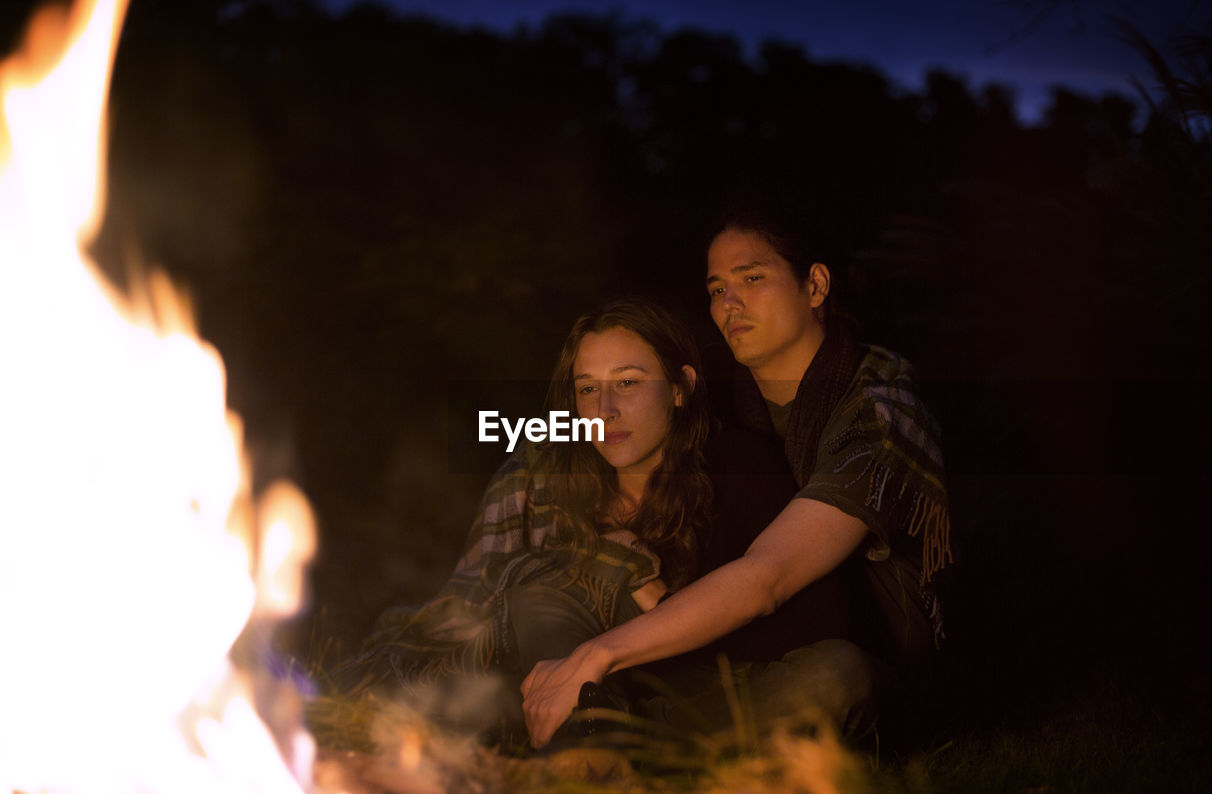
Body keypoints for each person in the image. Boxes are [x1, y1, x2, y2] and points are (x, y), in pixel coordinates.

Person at [521, 207, 953, 749]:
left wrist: (597, 655)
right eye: (717, 288)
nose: (730, 304)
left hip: (864, 646)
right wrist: (619, 539)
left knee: (836, 680)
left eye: (752, 278)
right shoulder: (714, 386)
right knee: (546, 590)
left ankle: (616, 739)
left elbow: (768, 576)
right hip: (728, 643)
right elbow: (608, 444)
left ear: (815, 285)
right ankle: (595, 725)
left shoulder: (881, 411)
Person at [340, 300, 791, 741]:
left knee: (833, 675)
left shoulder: (731, 471)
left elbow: (754, 622)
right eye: (588, 388)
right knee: (536, 598)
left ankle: (629, 742)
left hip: (682, 693)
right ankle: (590, 745)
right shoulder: (538, 474)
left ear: (680, 388)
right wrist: (614, 562)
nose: (604, 409)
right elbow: (480, 600)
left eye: (628, 383)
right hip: (541, 691)